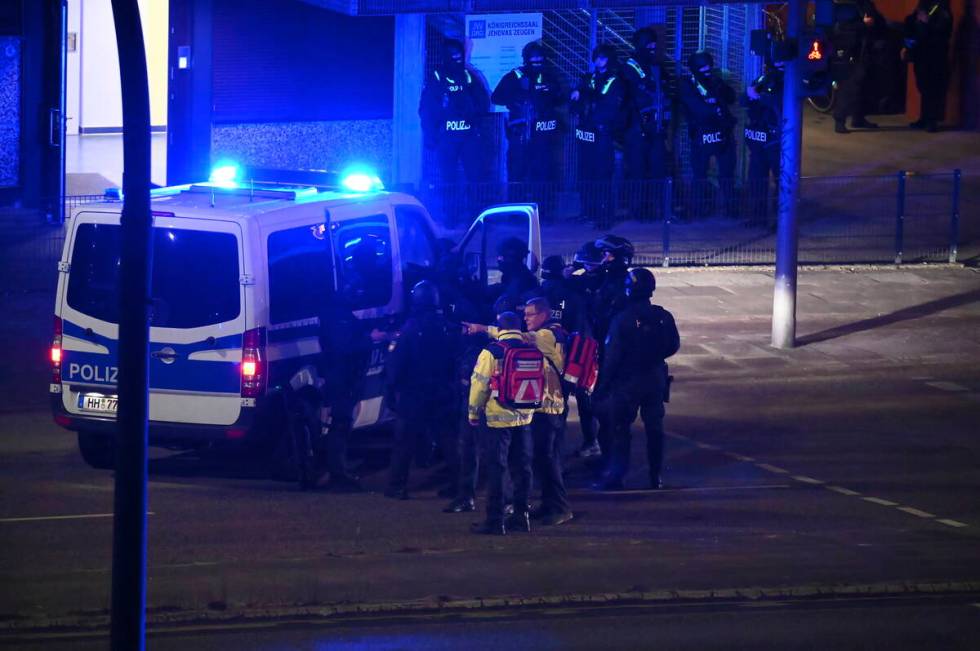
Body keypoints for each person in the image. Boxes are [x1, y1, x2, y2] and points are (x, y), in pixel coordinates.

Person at [592, 268, 680, 491]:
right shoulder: (663, 316)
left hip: (627, 381)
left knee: (621, 429)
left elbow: (612, 356)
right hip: (655, 378)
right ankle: (656, 476)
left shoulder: (621, 319)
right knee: (655, 429)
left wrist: (602, 386)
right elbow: (673, 345)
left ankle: (618, 476)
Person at [384, 281, 462, 500]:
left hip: (413, 393)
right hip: (443, 390)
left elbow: (397, 362)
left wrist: (391, 388)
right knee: (449, 440)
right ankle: (459, 486)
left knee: (404, 441)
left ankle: (397, 487)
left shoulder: (411, 328)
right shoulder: (448, 327)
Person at [467, 312, 537, 535]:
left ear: (499, 328)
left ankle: (495, 520)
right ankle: (522, 517)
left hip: (497, 419)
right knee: (523, 468)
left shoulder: (492, 352)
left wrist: (473, 413)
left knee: (497, 469)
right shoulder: (532, 349)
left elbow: (479, 385)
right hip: (524, 418)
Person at [419, 39, 490, 224]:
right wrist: (430, 136)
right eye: (454, 56)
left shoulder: (469, 76)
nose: (457, 59)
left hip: (469, 136)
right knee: (448, 178)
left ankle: (477, 217)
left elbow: (483, 102)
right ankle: (451, 216)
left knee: (475, 176)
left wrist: (476, 123)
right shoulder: (436, 78)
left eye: (460, 55)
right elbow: (426, 110)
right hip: (446, 137)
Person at [492, 41, 566, 191]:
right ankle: (516, 211)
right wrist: (518, 97)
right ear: (526, 59)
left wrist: (551, 91)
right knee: (517, 172)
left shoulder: (550, 76)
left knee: (543, 173)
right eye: (534, 59)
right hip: (521, 132)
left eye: (540, 59)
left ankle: (543, 209)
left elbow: (561, 98)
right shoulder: (515, 76)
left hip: (544, 135)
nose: (537, 62)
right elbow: (496, 98)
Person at [571, 44, 625, 228]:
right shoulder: (588, 79)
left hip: (602, 134)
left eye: (602, 57)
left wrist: (586, 95)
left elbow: (609, 106)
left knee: (603, 175)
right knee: (585, 174)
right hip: (586, 134)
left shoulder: (614, 80)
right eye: (596, 57)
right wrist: (578, 94)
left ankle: (604, 216)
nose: (598, 61)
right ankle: (587, 212)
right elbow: (575, 104)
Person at [622, 26, 673, 219]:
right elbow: (636, 93)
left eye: (655, 43)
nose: (653, 47)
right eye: (649, 43)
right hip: (636, 127)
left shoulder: (657, 66)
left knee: (658, 168)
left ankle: (659, 210)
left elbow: (666, 91)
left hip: (657, 126)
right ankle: (638, 211)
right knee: (638, 170)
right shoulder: (630, 66)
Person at [679, 51, 737, 218]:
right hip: (702, 133)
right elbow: (697, 108)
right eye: (703, 68)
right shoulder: (687, 83)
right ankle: (700, 209)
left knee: (727, 173)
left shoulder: (714, 80)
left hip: (723, 133)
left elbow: (730, 97)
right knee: (700, 175)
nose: (707, 70)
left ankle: (731, 208)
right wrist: (714, 108)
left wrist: (719, 90)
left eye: (709, 67)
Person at [832, 1, 886, 134]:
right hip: (851, 51)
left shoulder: (864, 4)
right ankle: (840, 120)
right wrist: (864, 25)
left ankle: (858, 117)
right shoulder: (847, 5)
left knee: (862, 86)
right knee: (849, 86)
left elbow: (878, 21)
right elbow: (844, 27)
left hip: (864, 50)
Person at [742, 59, 784, 228]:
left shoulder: (790, 81)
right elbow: (745, 99)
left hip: (776, 140)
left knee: (782, 181)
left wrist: (758, 97)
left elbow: (780, 103)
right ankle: (758, 218)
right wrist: (751, 96)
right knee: (757, 180)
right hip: (759, 139)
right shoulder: (763, 79)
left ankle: (781, 220)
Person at [904, 0, 953, 132]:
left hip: (934, 55)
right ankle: (924, 118)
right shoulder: (924, 4)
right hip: (922, 53)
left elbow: (943, 29)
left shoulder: (941, 6)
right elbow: (912, 22)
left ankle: (931, 121)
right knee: (923, 87)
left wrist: (925, 23)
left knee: (932, 88)